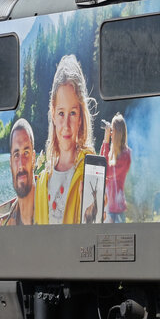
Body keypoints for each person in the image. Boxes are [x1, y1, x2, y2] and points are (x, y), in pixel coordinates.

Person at [34, 54, 96, 224]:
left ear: (81, 118)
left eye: (73, 113)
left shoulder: (89, 171)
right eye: (61, 113)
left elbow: (95, 232)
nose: (66, 125)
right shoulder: (43, 179)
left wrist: (96, 216)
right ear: (53, 114)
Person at [1, 118, 36, 225]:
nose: (21, 164)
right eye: (16, 155)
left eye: (26, 152)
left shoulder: (51, 208)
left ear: (34, 159)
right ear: (10, 162)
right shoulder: (10, 222)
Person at [100, 113, 132, 222]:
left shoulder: (125, 155)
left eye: (112, 131)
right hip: (107, 207)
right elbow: (101, 165)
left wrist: (106, 141)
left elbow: (106, 171)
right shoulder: (113, 153)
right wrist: (105, 142)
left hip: (117, 211)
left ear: (118, 133)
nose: (110, 134)